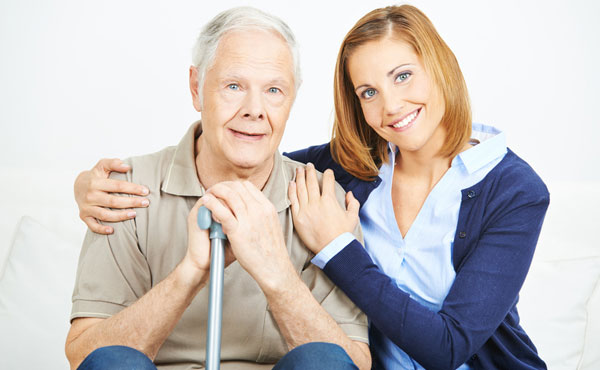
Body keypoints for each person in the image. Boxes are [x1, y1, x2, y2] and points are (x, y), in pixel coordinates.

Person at [75, 5, 549, 370]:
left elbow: (440, 349)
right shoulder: (350, 169)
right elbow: (256, 155)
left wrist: (333, 250)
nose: (391, 104)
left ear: (441, 68)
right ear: (197, 87)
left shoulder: (512, 191)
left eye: (404, 75)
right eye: (368, 92)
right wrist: (83, 185)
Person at [65, 7, 372, 370]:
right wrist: (190, 273)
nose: (254, 110)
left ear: (292, 99)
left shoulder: (323, 202)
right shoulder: (123, 192)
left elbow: (352, 363)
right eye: (234, 86)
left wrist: (276, 273)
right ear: (196, 88)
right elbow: (86, 358)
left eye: (274, 89)